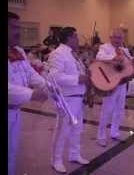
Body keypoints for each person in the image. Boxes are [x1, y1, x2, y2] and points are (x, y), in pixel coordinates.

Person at [8, 11, 48, 175]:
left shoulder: (18, 51)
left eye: (19, 27)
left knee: (12, 152)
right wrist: (30, 94)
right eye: (13, 27)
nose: (18, 31)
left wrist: (47, 86)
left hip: (15, 112)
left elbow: (29, 73)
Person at [48, 27, 90, 173]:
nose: (78, 40)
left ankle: (74, 154)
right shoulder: (58, 54)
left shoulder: (73, 54)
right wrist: (77, 79)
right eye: (76, 37)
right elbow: (54, 77)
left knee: (77, 128)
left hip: (78, 97)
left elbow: (80, 72)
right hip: (66, 99)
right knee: (62, 130)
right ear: (69, 38)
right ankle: (56, 160)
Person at [96, 28, 132, 147]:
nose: (117, 40)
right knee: (107, 110)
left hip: (122, 82)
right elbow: (99, 57)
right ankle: (101, 136)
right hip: (110, 83)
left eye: (120, 38)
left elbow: (129, 61)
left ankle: (114, 132)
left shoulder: (124, 50)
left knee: (120, 109)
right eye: (115, 37)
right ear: (110, 38)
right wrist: (113, 58)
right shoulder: (104, 47)